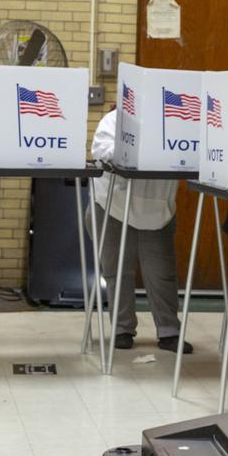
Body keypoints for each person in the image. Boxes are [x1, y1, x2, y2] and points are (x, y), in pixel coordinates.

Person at [90, 106, 192, 353]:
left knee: (162, 273)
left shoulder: (177, 123)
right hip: (113, 205)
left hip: (157, 208)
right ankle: (122, 329)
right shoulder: (114, 120)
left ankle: (169, 331)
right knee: (116, 271)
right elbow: (102, 150)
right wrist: (142, 150)